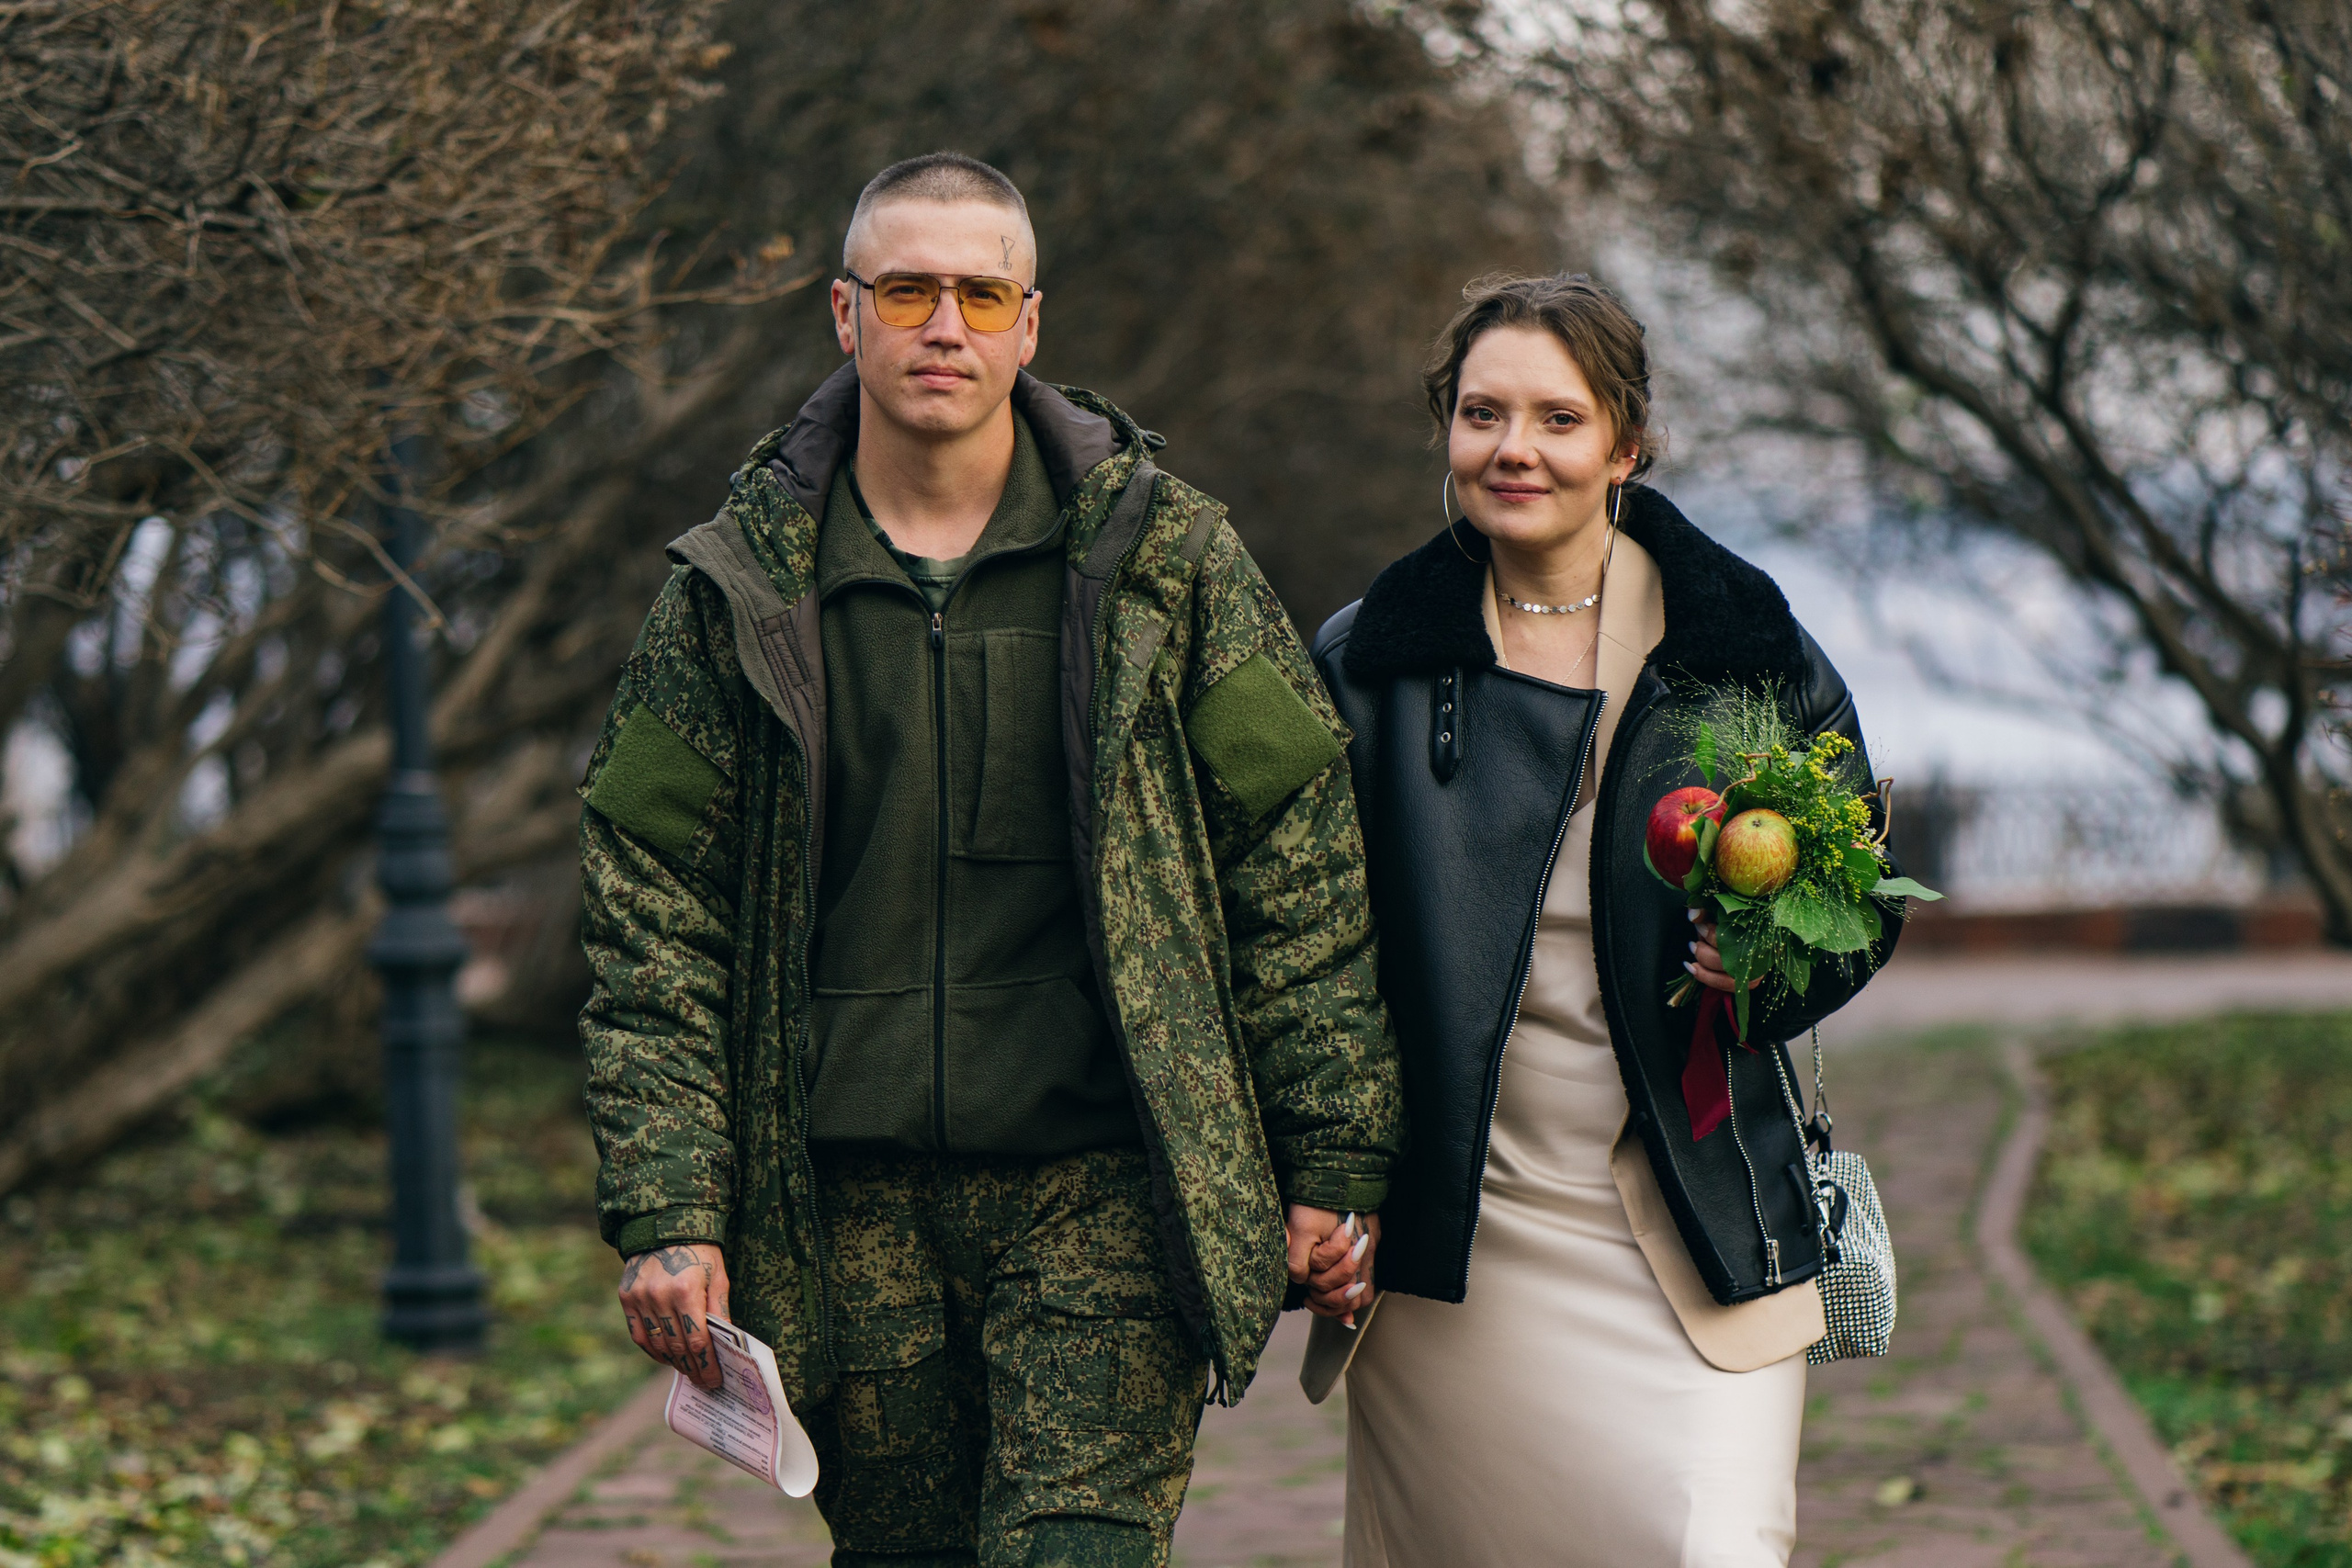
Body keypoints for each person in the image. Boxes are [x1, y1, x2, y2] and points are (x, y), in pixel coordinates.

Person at [576, 152, 1401, 1566]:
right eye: (907, 289)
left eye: (979, 292)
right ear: (847, 316)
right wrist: (670, 1205)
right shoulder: (737, 590)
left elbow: (1297, 853)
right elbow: (652, 907)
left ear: (1031, 322)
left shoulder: (1168, 564)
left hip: (1108, 1188)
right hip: (845, 1209)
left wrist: (1331, 1151)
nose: (943, 324)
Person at [1311, 272, 1899, 1565]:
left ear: (1627, 443)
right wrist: (1324, 1191)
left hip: (1699, 1217)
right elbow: (1300, 952)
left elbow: (1859, 895)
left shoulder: (1739, 646)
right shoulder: (1371, 661)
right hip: (1467, 1240)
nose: (1514, 448)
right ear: (1446, 433)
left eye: (1558, 419)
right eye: (1482, 415)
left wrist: (1768, 965)